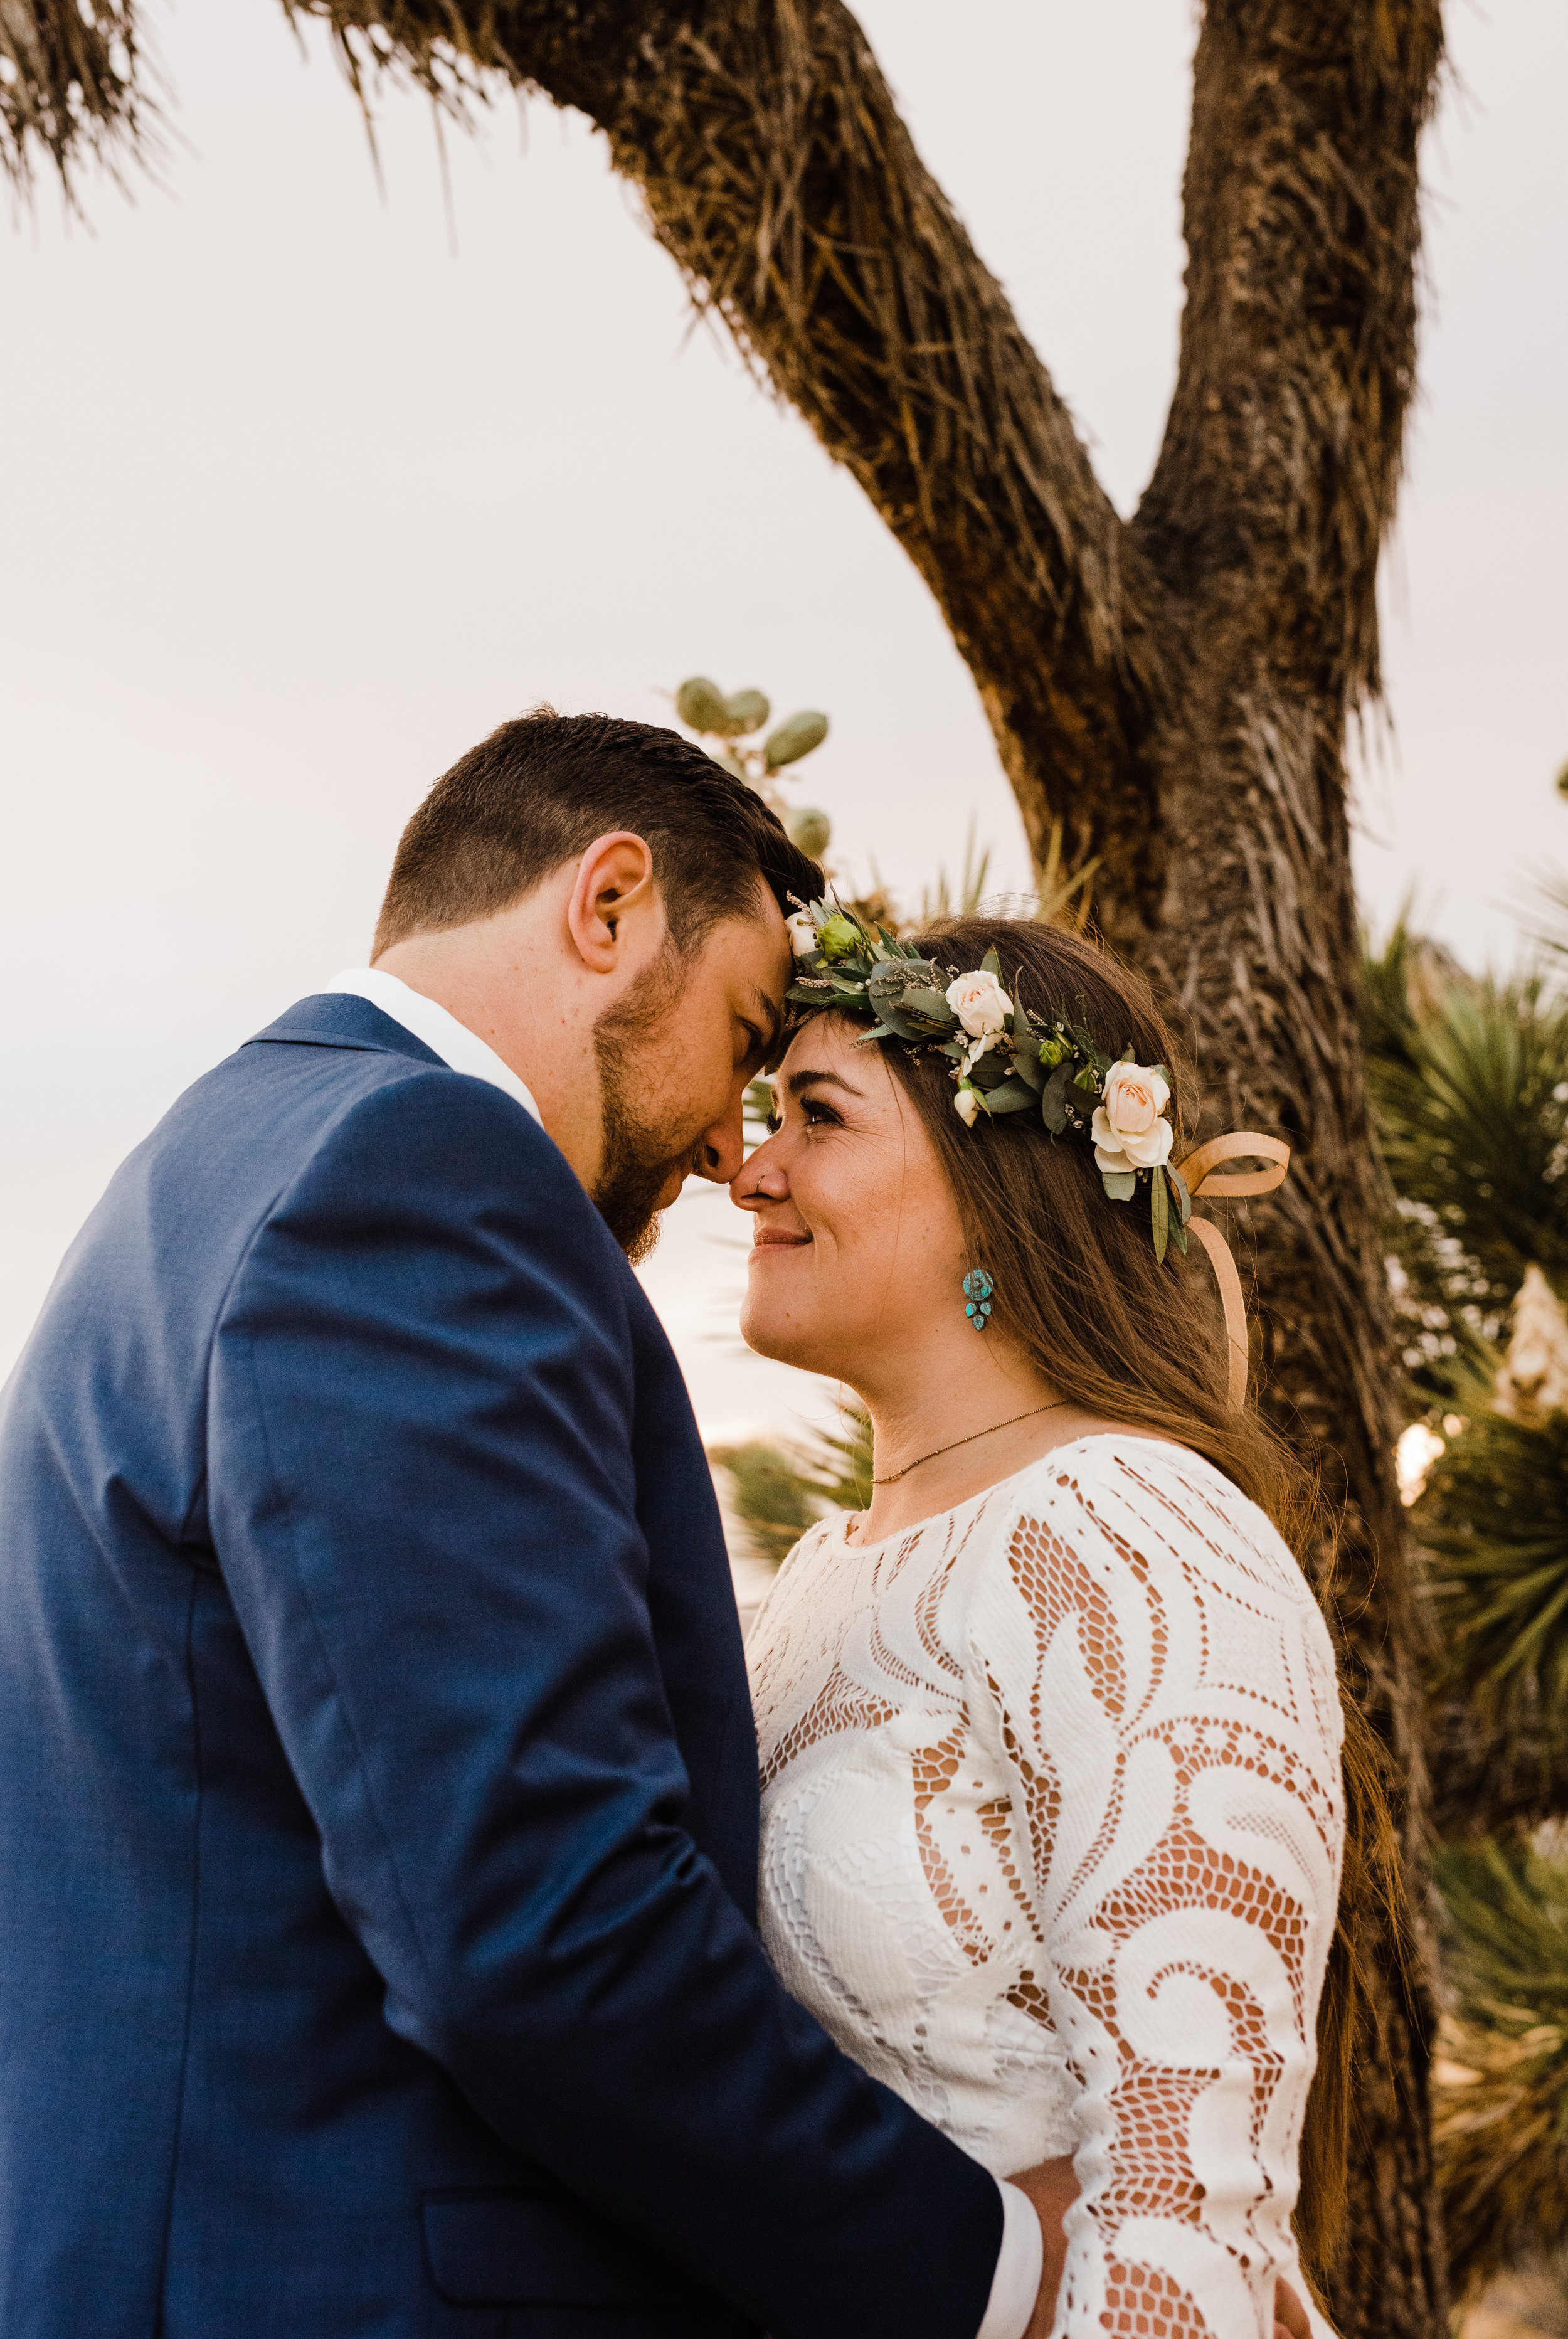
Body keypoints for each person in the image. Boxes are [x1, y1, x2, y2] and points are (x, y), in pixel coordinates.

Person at [0, 714, 1059, 2339]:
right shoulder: (418, 1170)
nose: (728, 1146)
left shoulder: (213, 1157)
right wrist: (987, 2267)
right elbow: (536, 1919)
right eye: (742, 1029)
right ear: (610, 901)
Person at [733, 906, 1378, 2339]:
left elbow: (1182, 2193)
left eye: (815, 1117)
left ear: (991, 1179)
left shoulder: (1132, 1534)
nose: (750, 1172)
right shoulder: (812, 1579)